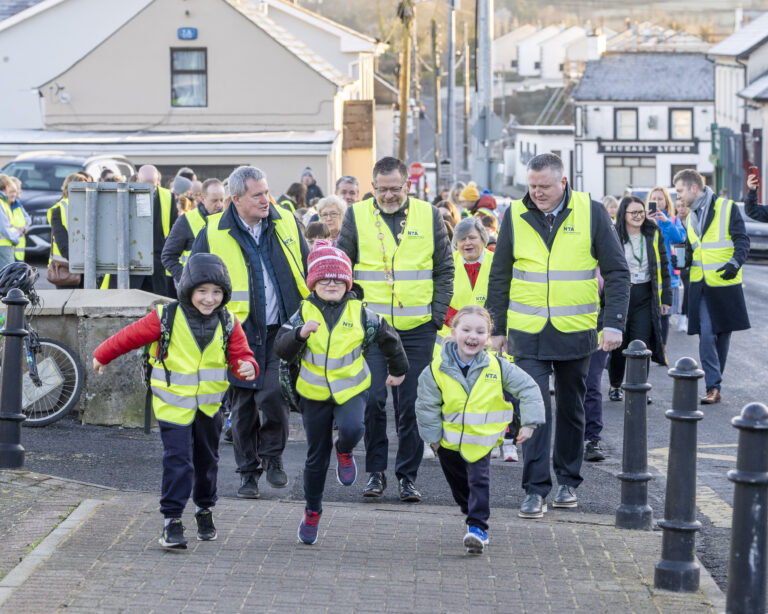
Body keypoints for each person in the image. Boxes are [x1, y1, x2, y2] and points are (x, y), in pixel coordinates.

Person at [487, 153, 629, 519]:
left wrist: (613, 323)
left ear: (562, 182)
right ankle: (535, 490)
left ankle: (568, 480)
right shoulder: (515, 215)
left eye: (544, 187)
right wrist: (496, 328)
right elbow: (499, 275)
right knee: (534, 409)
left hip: (576, 331)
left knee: (571, 408)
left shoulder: (591, 211)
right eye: (532, 186)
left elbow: (617, 271)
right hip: (527, 332)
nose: (537, 193)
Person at [92, 253, 259, 549]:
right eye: (202, 291)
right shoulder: (166, 316)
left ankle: (204, 509)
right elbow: (129, 337)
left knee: (207, 463)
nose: (209, 299)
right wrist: (102, 354)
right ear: (188, 290)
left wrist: (248, 366)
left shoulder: (229, 321)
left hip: (209, 407)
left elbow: (241, 355)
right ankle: (172, 521)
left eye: (217, 292)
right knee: (178, 463)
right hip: (173, 406)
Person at [336, 156, 454, 502]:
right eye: (382, 189)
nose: (388, 195)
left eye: (395, 189)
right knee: (372, 401)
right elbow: (342, 271)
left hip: (418, 328)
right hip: (372, 330)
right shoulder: (356, 216)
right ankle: (375, 473)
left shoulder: (429, 215)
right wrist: (354, 313)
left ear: (407, 186)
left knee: (412, 405)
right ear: (372, 187)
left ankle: (407, 476)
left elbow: (444, 269)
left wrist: (435, 317)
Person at [274, 241, 408, 544]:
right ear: (313, 283)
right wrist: (299, 334)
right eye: (324, 278)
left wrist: (398, 370)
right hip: (314, 394)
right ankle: (312, 510)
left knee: (353, 427)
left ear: (348, 282)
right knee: (315, 458)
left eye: (338, 279)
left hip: (351, 389)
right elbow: (281, 348)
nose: (331, 283)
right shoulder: (303, 312)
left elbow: (390, 339)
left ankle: (345, 450)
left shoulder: (361, 312)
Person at [191, 166, 310, 497]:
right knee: (243, 403)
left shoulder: (285, 220)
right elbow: (195, 283)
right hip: (237, 332)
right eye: (257, 195)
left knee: (273, 395)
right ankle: (247, 472)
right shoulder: (213, 232)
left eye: (266, 192)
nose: (265, 200)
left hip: (280, 328)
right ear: (236, 199)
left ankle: (273, 458)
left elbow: (306, 263)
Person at [415, 305, 544, 554]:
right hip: (447, 443)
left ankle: (478, 528)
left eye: (480, 331)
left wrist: (529, 423)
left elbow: (528, 388)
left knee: (478, 481)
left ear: (488, 337)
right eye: (466, 330)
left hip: (482, 440)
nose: (472, 336)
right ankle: (470, 511)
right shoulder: (435, 369)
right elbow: (426, 405)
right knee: (460, 487)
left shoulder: (497, 366)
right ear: (453, 332)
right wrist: (433, 440)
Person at [674, 169, 750, 405]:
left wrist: (735, 263)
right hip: (700, 286)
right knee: (707, 334)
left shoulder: (727, 208)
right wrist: (683, 258)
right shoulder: (689, 215)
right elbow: (693, 247)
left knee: (722, 336)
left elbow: (742, 240)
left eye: (680, 191)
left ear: (694, 189)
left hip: (725, 283)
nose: (678, 196)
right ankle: (713, 386)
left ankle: (715, 383)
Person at [607, 196, 671, 402]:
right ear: (623, 215)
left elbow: (663, 265)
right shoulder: (613, 234)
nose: (638, 216)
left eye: (641, 212)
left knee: (642, 344)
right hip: (620, 295)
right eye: (633, 212)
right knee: (619, 343)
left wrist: (666, 297)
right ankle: (615, 385)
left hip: (645, 295)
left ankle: (640, 388)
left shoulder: (653, 233)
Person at [162, 178, 227, 283]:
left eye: (221, 200)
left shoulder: (229, 220)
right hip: (192, 288)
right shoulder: (185, 221)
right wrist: (187, 280)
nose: (219, 205)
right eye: (214, 200)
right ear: (202, 198)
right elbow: (168, 256)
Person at [645, 186, 686, 350]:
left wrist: (665, 221)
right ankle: (647, 348)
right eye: (653, 198)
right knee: (646, 314)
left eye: (660, 198)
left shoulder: (673, 221)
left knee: (664, 315)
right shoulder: (644, 220)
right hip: (647, 273)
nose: (657, 201)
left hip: (668, 276)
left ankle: (661, 349)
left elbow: (680, 239)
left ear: (667, 201)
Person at [135, 165, 178, 297]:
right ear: (137, 180)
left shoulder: (168, 197)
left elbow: (174, 231)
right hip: (133, 270)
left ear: (158, 182)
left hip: (158, 268)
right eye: (144, 186)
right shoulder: (125, 195)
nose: (148, 191)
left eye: (152, 187)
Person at [47, 173, 88, 288]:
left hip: (86, 268)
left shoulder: (90, 206)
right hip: (67, 268)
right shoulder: (60, 209)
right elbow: (63, 245)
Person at [0, 175, 21, 269]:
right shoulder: (1, 202)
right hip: (3, 247)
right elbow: (4, 227)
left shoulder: (3, 202)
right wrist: (16, 237)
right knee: (7, 279)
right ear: (7, 187)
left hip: (4, 246)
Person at [7, 177, 30, 262]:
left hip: (18, 254)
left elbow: (28, 219)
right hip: (7, 252)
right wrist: (15, 230)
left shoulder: (18, 205)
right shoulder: (4, 206)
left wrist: (24, 229)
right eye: (18, 189)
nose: (20, 191)